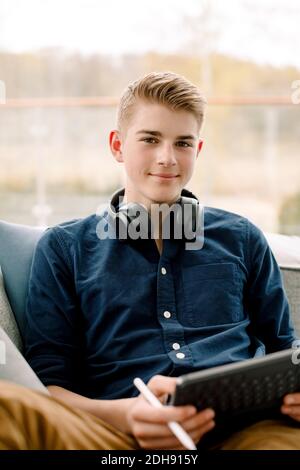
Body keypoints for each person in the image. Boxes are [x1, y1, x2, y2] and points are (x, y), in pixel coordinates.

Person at [1, 71, 300, 451]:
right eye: (151, 139)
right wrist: (128, 415)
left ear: (198, 150)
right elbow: (50, 386)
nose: (167, 158)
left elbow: (284, 351)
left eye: (183, 143)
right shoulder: (64, 247)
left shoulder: (241, 237)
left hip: (244, 431)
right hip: (113, 432)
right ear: (117, 146)